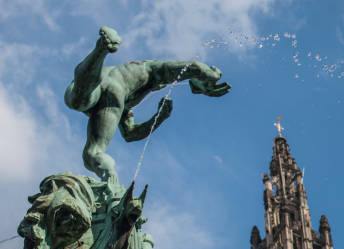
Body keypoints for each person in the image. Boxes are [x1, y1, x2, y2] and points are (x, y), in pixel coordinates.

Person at [65, 26, 231, 181]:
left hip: (111, 99)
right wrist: (209, 75)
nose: (163, 85)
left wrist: (160, 117)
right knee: (81, 101)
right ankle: (101, 48)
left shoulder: (129, 100)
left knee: (91, 154)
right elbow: (190, 66)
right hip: (103, 84)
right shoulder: (147, 68)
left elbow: (130, 133)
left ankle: (110, 180)